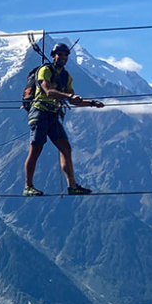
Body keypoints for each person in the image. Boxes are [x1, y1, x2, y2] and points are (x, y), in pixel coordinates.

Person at [23, 43, 104, 196]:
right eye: (59, 54)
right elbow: (48, 91)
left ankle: (72, 186)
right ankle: (28, 186)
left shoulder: (66, 76)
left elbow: (74, 100)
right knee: (36, 150)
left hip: (52, 115)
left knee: (65, 148)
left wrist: (92, 103)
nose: (62, 57)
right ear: (54, 55)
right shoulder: (45, 70)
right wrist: (68, 96)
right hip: (39, 113)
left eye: (65, 55)